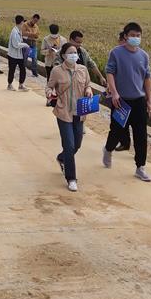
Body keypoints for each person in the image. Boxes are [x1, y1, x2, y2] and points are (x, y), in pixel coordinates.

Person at [103, 22, 151, 182]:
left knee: (141, 135)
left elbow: (147, 78)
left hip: (138, 100)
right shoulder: (116, 53)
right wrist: (115, 93)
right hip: (121, 101)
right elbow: (110, 72)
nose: (135, 38)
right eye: (132, 35)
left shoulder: (144, 56)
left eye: (138, 36)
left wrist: (149, 99)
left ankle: (140, 167)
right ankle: (108, 149)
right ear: (125, 36)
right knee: (116, 131)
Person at [46, 42, 93, 192]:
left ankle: (62, 158)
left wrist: (89, 90)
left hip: (79, 112)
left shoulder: (83, 70)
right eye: (70, 53)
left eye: (75, 52)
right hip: (63, 111)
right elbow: (49, 86)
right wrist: (49, 93)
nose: (74, 55)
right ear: (64, 55)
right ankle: (71, 178)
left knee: (77, 144)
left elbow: (88, 84)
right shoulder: (57, 71)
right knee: (69, 145)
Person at [6, 15, 30, 91]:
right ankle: (9, 85)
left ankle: (21, 85)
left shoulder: (19, 30)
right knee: (12, 70)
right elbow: (15, 44)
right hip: (13, 55)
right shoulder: (14, 32)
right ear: (21, 22)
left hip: (20, 55)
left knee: (23, 69)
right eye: (23, 22)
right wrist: (25, 45)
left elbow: (19, 41)